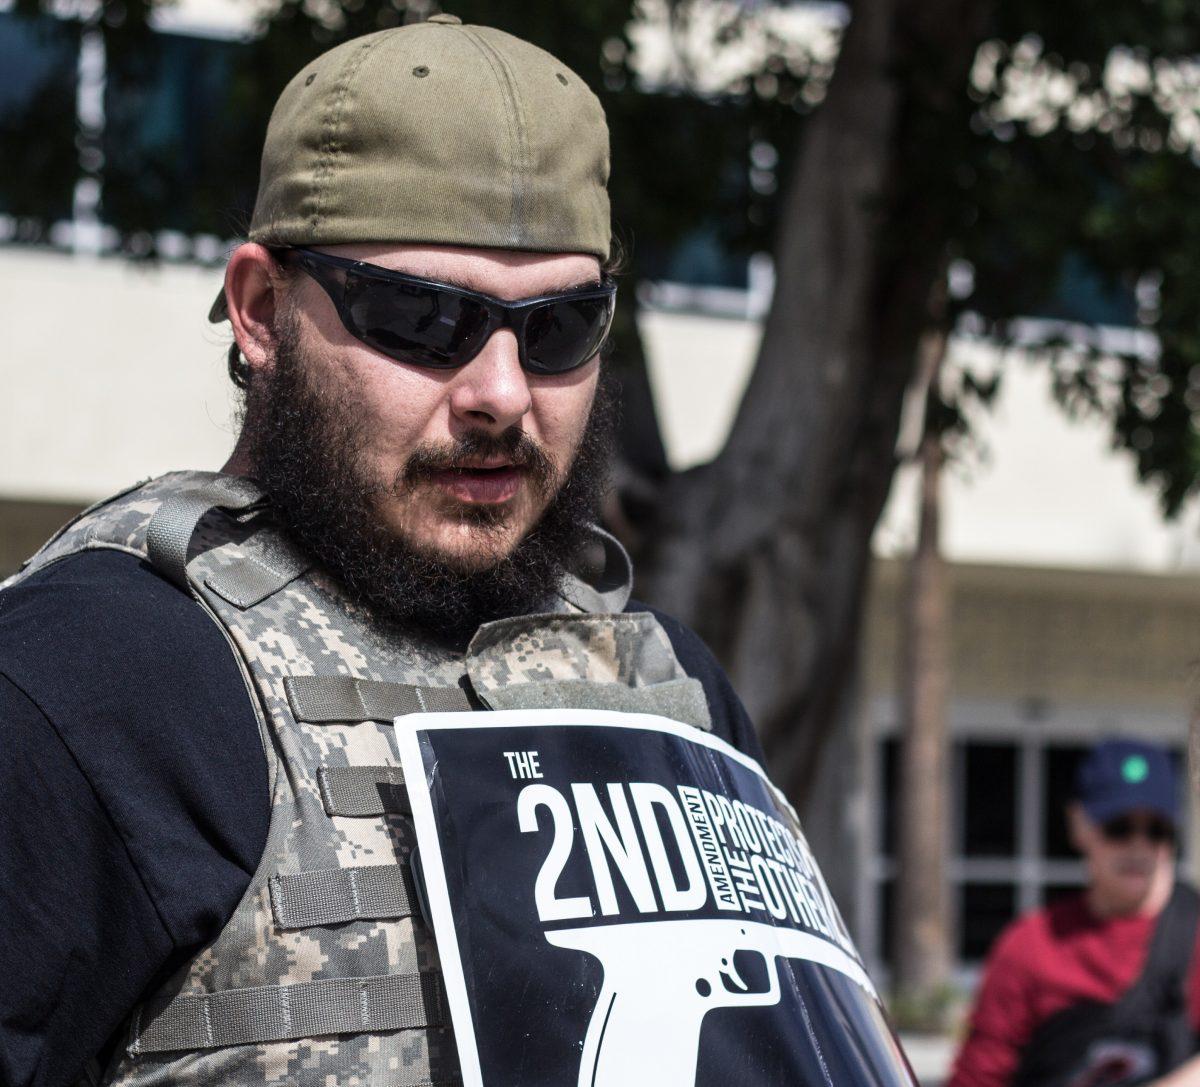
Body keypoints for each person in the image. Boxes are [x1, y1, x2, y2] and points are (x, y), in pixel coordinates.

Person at [0, 17, 914, 1087]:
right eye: (422, 317)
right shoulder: (89, 682)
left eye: (562, 325)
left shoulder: (665, 691)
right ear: (259, 311)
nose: (501, 393)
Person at [949, 739, 1200, 1087]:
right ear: (1078, 824)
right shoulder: (1031, 944)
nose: (1139, 847)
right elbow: (977, 1077)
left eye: (1156, 830)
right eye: (1119, 828)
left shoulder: (1192, 933)